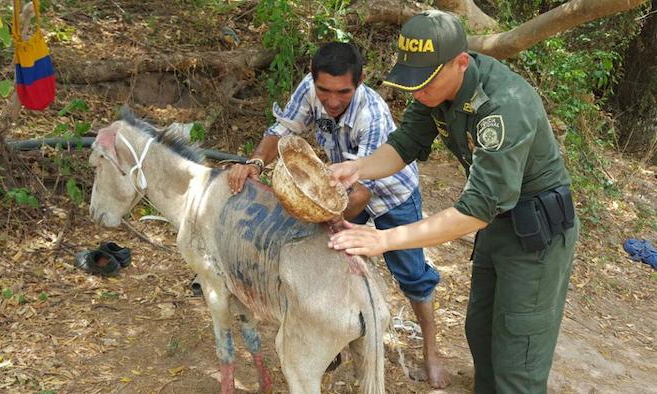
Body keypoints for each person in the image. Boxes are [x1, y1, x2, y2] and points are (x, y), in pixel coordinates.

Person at [327, 11, 579, 393]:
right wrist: (358, 167)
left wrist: (384, 239)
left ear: (461, 63)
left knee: (518, 355)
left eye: (425, 82)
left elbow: (476, 208)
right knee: (480, 331)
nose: (417, 92)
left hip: (536, 236)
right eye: (412, 82)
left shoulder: (503, 107)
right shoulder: (433, 89)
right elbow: (404, 145)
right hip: (498, 223)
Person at [228, 42, 451, 388]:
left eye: (342, 92)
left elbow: (364, 191)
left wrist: (331, 215)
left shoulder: (372, 115)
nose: (332, 101)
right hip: (337, 186)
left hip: (390, 191)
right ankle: (333, 337)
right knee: (327, 257)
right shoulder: (309, 90)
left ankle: (432, 351)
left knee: (412, 273)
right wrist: (255, 162)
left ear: (360, 81)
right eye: (325, 91)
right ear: (314, 81)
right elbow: (282, 131)